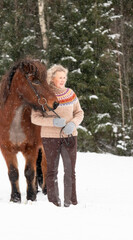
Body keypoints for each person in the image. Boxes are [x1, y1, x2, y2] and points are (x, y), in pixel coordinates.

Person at [31, 64, 84, 207]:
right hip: (50, 138)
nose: (63, 80)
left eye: (64, 77)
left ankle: (71, 201)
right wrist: (53, 121)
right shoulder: (44, 95)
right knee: (52, 170)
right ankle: (54, 201)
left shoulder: (71, 93)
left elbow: (79, 113)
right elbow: (34, 118)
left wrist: (73, 124)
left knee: (70, 170)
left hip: (70, 137)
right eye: (60, 77)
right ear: (52, 78)